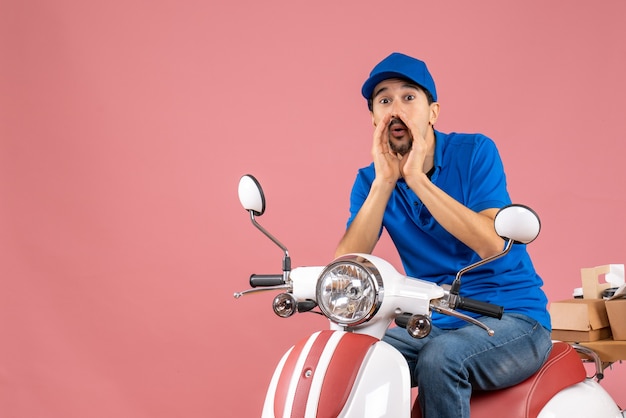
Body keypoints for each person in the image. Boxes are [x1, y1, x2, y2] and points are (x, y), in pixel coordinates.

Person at [334, 52, 552, 418]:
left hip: (511, 318)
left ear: (433, 112)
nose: (395, 109)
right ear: (373, 118)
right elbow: (347, 266)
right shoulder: (370, 181)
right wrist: (386, 180)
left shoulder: (475, 152)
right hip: (433, 319)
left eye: (408, 97)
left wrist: (416, 178)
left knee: (442, 357)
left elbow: (490, 243)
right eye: (384, 100)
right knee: (350, 352)